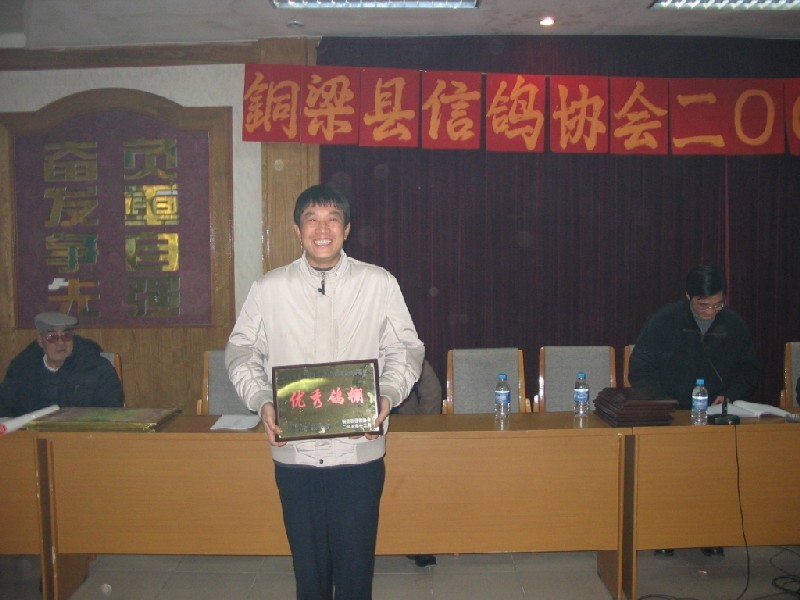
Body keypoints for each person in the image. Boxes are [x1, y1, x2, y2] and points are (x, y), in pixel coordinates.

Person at [226, 184, 424, 600]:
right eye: (311, 220)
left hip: (358, 452)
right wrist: (262, 400)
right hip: (295, 454)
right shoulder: (269, 288)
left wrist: (387, 395)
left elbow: (405, 349)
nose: (322, 229)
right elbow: (242, 350)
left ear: (346, 229)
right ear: (297, 230)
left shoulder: (378, 283)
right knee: (308, 572)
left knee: (355, 573)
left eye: (332, 219)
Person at [629, 264, 758, 559]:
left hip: (715, 415)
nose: (711, 311)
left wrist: (730, 395)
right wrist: (664, 404)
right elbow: (640, 369)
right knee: (671, 478)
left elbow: (749, 370)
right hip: (671, 414)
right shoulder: (664, 321)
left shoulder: (733, 323)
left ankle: (710, 533)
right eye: (704, 305)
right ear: (689, 296)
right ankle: (666, 533)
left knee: (713, 478)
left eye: (717, 304)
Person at [0, 312, 124, 417]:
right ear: (40, 341)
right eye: (52, 337)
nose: (60, 342)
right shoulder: (21, 369)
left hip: (81, 434)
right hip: (31, 435)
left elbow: (111, 410)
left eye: (66, 336)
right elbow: (4, 408)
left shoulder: (97, 367)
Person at [391, 358, 442, 568]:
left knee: (416, 486)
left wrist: (423, 428)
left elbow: (432, 391)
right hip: (361, 433)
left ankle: (420, 543)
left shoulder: (404, 351)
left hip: (406, 430)